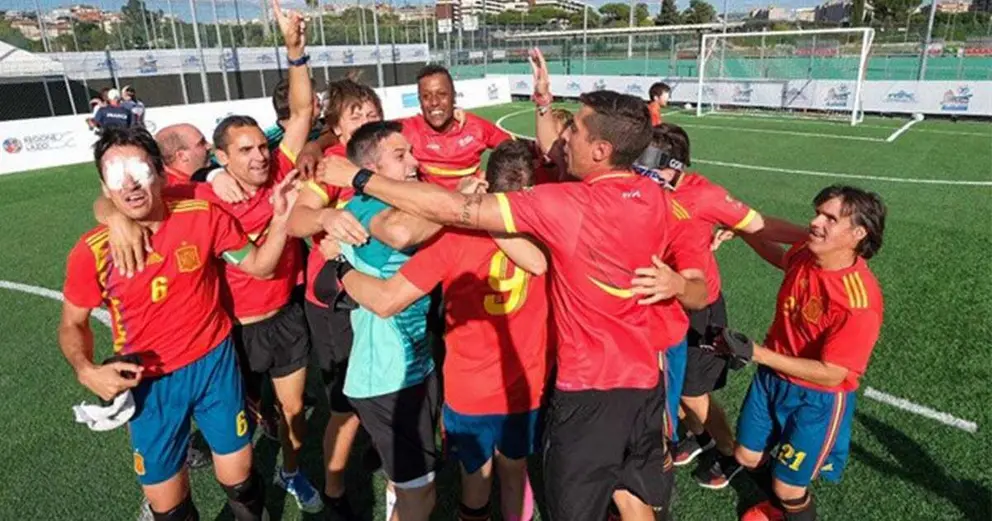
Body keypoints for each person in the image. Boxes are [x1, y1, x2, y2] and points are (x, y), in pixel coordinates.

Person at [318, 52, 688, 521]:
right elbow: (536, 254)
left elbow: (420, 244)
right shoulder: (651, 196)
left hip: (554, 391)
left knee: (526, 496)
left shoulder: (549, 212)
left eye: (573, 128)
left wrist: (355, 198)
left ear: (600, 150)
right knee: (625, 494)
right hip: (630, 381)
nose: (562, 137)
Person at [59, 127, 294, 521]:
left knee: (240, 482)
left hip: (214, 365)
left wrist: (283, 220)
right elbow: (71, 322)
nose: (130, 184)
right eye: (116, 176)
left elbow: (259, 266)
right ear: (104, 186)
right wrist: (85, 369)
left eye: (139, 170)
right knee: (170, 509)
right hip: (150, 385)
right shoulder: (92, 252)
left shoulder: (200, 215)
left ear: (162, 173)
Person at [324, 139, 550, 521]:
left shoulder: (452, 237)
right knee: (515, 471)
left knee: (475, 479)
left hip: (469, 388)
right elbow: (541, 264)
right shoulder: (547, 232)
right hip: (525, 383)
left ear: (486, 184)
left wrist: (341, 268)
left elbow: (385, 299)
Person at [637, 123, 809, 491]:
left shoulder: (704, 195)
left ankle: (729, 452)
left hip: (699, 306)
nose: (642, 172)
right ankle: (697, 437)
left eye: (650, 165)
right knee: (669, 382)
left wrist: (814, 239)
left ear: (676, 166)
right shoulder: (643, 190)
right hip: (660, 303)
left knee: (691, 392)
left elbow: (760, 225)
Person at [726, 185, 886, 521]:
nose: (815, 222)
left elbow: (833, 372)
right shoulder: (806, 252)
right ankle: (778, 507)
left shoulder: (858, 302)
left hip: (817, 398)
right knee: (746, 455)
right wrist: (742, 232)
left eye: (830, 218)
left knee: (789, 488)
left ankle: (786, 505)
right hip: (771, 380)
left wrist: (759, 354)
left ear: (858, 233)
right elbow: (781, 258)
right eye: (817, 213)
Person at [323, 120, 441, 521]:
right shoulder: (368, 208)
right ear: (371, 171)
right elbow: (404, 232)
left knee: (412, 487)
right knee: (420, 496)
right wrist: (457, 204)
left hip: (410, 367)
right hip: (385, 378)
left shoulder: (401, 201)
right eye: (400, 155)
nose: (414, 162)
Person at [284, 77, 384, 520]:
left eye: (371, 112)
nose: (366, 121)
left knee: (385, 388)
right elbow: (296, 220)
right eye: (355, 115)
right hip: (335, 305)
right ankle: (335, 489)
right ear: (338, 129)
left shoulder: (394, 154)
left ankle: (381, 449)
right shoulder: (330, 165)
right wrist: (326, 216)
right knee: (345, 407)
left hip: (380, 299)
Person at [398, 64, 511, 190]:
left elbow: (513, 149)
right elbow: (373, 134)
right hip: (432, 207)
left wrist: (490, 179)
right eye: (426, 96)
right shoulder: (409, 129)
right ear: (419, 101)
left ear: (454, 97)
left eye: (442, 94)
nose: (434, 102)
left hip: (472, 205)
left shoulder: (475, 126)